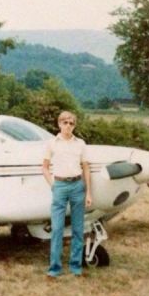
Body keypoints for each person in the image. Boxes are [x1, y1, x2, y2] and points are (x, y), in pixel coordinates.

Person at [42, 111, 92, 279]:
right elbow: (44, 166)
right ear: (59, 124)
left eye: (71, 123)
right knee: (57, 228)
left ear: (74, 125)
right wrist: (53, 184)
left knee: (78, 228)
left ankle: (76, 267)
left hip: (77, 186)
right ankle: (54, 268)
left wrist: (88, 192)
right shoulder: (52, 143)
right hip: (60, 186)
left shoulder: (81, 144)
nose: (68, 125)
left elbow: (86, 167)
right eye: (65, 122)